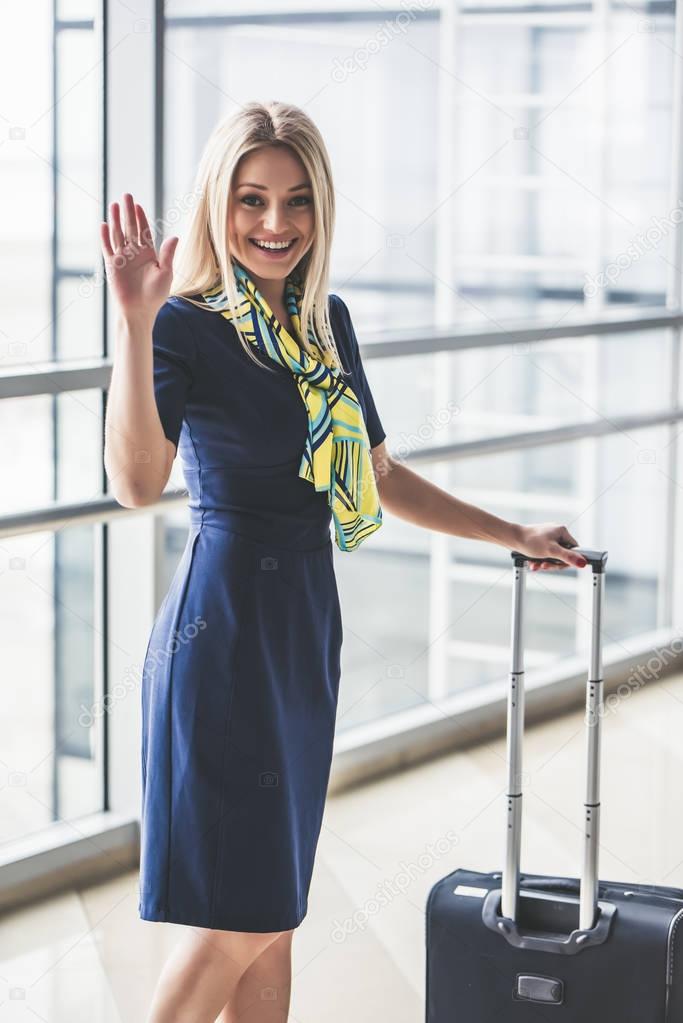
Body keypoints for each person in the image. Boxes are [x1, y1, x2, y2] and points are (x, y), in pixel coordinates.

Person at [101, 100, 588, 1023]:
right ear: (219, 203)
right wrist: (133, 319)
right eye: (251, 200)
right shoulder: (183, 325)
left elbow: (375, 475)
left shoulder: (326, 326)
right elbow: (134, 482)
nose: (274, 224)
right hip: (223, 635)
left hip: (300, 638)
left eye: (296, 202)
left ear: (321, 210)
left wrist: (511, 536)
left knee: (275, 914)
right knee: (230, 926)